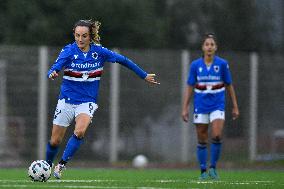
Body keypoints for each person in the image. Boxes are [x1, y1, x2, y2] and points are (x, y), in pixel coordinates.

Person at [45, 19, 160, 179]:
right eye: (77, 35)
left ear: (90, 36)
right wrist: (52, 73)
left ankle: (61, 165)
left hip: (87, 101)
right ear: (74, 35)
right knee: (55, 141)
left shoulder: (99, 52)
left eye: (84, 36)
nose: (80, 39)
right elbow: (54, 68)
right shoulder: (68, 51)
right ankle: (46, 165)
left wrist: (144, 75)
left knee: (80, 131)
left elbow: (124, 60)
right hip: (66, 100)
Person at [181, 33, 239, 180]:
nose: (209, 47)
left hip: (217, 105)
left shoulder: (222, 64)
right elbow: (189, 86)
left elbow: (229, 85)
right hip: (200, 105)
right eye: (207, 44)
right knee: (202, 138)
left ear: (216, 48)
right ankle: (203, 171)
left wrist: (235, 106)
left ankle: (213, 168)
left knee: (217, 134)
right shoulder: (195, 65)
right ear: (203, 47)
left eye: (212, 44)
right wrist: (185, 107)